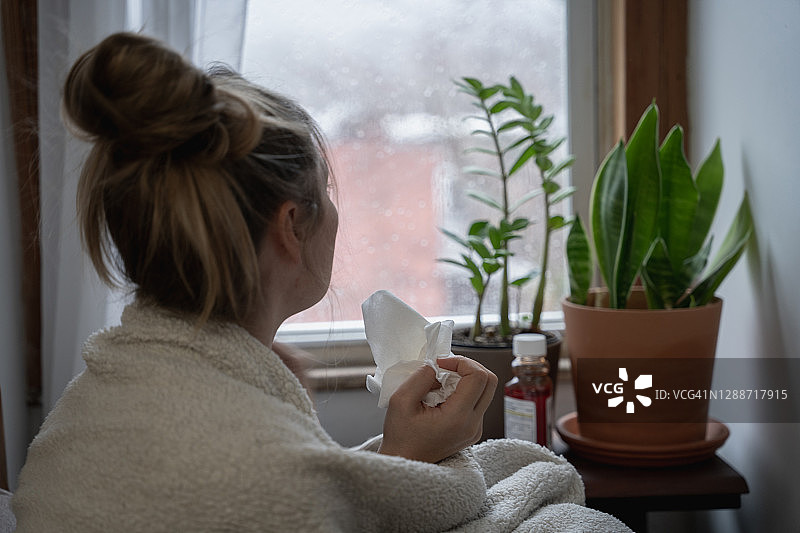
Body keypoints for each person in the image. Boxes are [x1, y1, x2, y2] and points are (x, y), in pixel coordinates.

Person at [12, 33, 631, 532]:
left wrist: (394, 455)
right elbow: (286, 492)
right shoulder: (263, 471)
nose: (336, 213)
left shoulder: (83, 412)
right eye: (327, 195)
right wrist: (415, 462)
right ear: (291, 225)